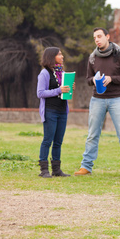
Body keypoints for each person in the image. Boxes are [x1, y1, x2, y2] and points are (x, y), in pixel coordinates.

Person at [74, 27, 120, 177]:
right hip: (97, 100)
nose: (97, 39)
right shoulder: (92, 57)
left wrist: (112, 79)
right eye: (95, 37)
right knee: (92, 134)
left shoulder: (119, 55)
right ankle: (86, 167)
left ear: (107, 37)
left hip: (117, 99)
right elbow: (88, 79)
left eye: (99, 36)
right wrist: (94, 81)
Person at [36, 47, 73, 178]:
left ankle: (56, 170)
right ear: (52, 57)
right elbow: (40, 93)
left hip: (62, 111)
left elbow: (62, 91)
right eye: (59, 54)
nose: (62, 56)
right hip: (50, 111)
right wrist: (58, 90)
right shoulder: (44, 73)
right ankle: (44, 170)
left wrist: (69, 88)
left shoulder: (61, 72)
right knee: (48, 140)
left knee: (58, 141)